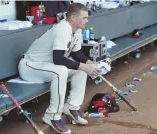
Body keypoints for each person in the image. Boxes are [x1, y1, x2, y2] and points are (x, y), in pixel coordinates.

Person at [18, 3, 100, 134]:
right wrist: (85, 66)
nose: (87, 20)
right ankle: (52, 116)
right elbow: (58, 59)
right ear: (73, 18)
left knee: (81, 70)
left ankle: (71, 107)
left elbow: (77, 53)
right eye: (84, 18)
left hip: (47, 66)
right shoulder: (63, 28)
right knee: (61, 71)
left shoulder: (76, 30)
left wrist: (90, 64)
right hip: (31, 66)